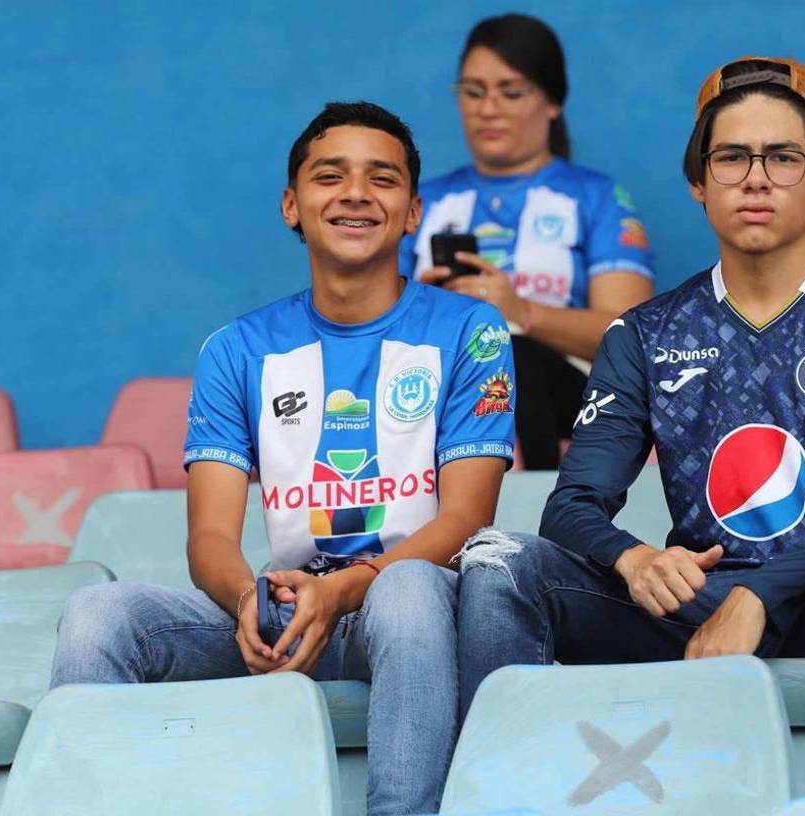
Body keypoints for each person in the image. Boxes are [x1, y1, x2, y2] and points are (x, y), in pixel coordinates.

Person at [457, 57, 805, 796]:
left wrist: (762, 594)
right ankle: (504, 801)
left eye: (782, 157)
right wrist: (636, 561)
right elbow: (571, 505)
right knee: (498, 565)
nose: (756, 177)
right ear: (699, 182)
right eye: (731, 157)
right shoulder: (645, 333)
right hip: (693, 601)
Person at [51, 101, 516, 816]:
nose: (356, 193)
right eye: (330, 176)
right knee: (97, 615)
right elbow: (208, 539)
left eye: (382, 179)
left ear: (414, 210)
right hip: (289, 615)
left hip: (409, 621)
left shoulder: (471, 332)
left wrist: (340, 592)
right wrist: (248, 599)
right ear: (292, 205)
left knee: (408, 589)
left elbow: (464, 520)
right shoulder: (236, 349)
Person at [401, 13, 655, 469]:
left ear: (552, 100)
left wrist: (522, 313)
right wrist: (427, 310)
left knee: (508, 349)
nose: (488, 108)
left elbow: (632, 340)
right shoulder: (424, 202)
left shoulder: (596, 197)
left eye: (511, 91)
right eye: (473, 92)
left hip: (569, 394)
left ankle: (538, 506)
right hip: (443, 388)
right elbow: (373, 327)